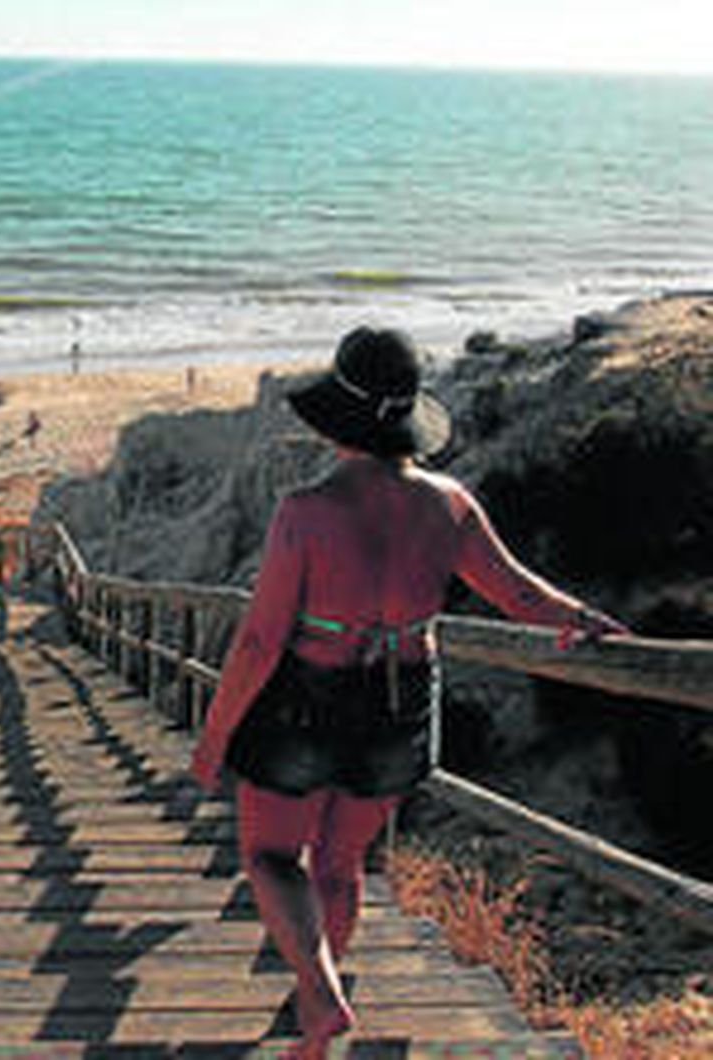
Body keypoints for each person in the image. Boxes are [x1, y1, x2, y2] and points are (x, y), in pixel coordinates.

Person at [187, 327, 626, 1058]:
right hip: (400, 698)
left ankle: (319, 993)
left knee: (270, 857)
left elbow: (260, 641)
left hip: (307, 693)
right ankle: (315, 1003)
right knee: (341, 864)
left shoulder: (306, 512)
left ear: (340, 419)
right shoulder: (448, 504)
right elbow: (516, 591)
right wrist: (578, 618)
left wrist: (214, 739)